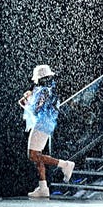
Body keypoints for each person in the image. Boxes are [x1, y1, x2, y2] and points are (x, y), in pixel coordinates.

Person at [18, 64, 74, 198]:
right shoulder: (48, 90)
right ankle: (43, 187)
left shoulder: (42, 91)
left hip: (42, 124)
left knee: (32, 155)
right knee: (38, 155)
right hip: (46, 123)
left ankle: (64, 164)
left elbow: (35, 109)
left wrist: (25, 102)